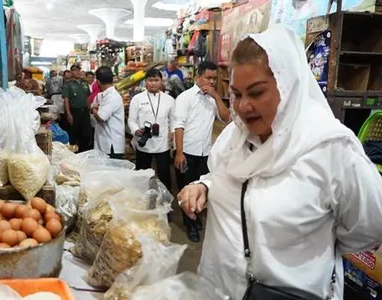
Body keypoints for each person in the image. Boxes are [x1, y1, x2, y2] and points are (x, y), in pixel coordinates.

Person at [177, 25, 382, 299]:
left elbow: (368, 227)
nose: (243, 106)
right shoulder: (233, 138)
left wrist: (314, 241)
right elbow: (227, 179)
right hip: (218, 288)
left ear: (288, 86)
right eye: (237, 94)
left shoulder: (330, 148)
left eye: (257, 93)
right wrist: (205, 186)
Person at [173, 60, 230, 242]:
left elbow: (226, 117)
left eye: (214, 78)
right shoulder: (185, 98)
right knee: (187, 190)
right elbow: (178, 126)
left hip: (206, 154)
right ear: (199, 76)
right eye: (208, 78)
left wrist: (216, 96)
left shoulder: (212, 99)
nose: (212, 82)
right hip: (187, 152)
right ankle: (191, 226)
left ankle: (196, 220)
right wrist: (179, 152)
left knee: (201, 190)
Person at [128, 69, 175, 191]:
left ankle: (166, 201)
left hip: (162, 143)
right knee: (142, 175)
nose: (153, 83)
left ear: (161, 81)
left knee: (164, 174)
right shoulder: (137, 99)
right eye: (150, 80)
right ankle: (142, 198)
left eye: (156, 80)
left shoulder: (169, 100)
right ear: (145, 82)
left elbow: (173, 119)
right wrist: (136, 130)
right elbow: (131, 120)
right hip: (144, 142)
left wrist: (172, 133)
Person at [91, 66, 125, 159]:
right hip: (103, 142)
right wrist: (94, 109)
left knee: (112, 172)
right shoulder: (101, 95)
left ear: (97, 81)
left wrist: (94, 109)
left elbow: (101, 117)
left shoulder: (113, 96)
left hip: (111, 144)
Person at [62, 64, 91, 152]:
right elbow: (66, 100)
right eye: (75, 70)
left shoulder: (84, 83)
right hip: (74, 112)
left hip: (85, 112)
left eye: (78, 70)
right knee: (74, 134)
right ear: (71, 72)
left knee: (86, 134)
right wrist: (68, 114)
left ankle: (84, 151)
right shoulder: (68, 85)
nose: (77, 72)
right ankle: (74, 153)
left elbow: (87, 97)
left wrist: (89, 109)